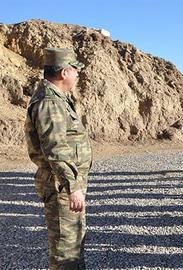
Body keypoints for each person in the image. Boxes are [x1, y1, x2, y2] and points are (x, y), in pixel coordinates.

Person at [25, 48, 92, 269]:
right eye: (75, 70)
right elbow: (55, 149)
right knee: (66, 252)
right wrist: (72, 186)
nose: (77, 75)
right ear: (64, 72)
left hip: (64, 185)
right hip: (61, 186)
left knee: (73, 245)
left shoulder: (57, 99)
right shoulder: (50, 102)